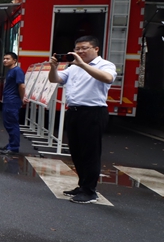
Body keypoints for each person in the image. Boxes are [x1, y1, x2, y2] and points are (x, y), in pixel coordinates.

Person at [48, 36, 116, 204]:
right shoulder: (73, 68)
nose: (80, 51)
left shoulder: (105, 65)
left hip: (93, 112)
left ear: (96, 49)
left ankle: (89, 191)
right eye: (77, 49)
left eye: (84, 48)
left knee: (90, 152)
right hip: (74, 111)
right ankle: (82, 185)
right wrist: (53, 67)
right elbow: (55, 79)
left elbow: (108, 78)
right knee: (76, 151)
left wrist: (83, 65)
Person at [0, 52, 26, 154]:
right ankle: (11, 144)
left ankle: (14, 147)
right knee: (8, 123)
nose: (5, 60)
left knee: (12, 124)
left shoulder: (17, 70)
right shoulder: (10, 71)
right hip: (8, 100)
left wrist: (22, 98)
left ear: (14, 60)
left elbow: (21, 86)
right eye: (4, 58)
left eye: (8, 59)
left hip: (12, 101)